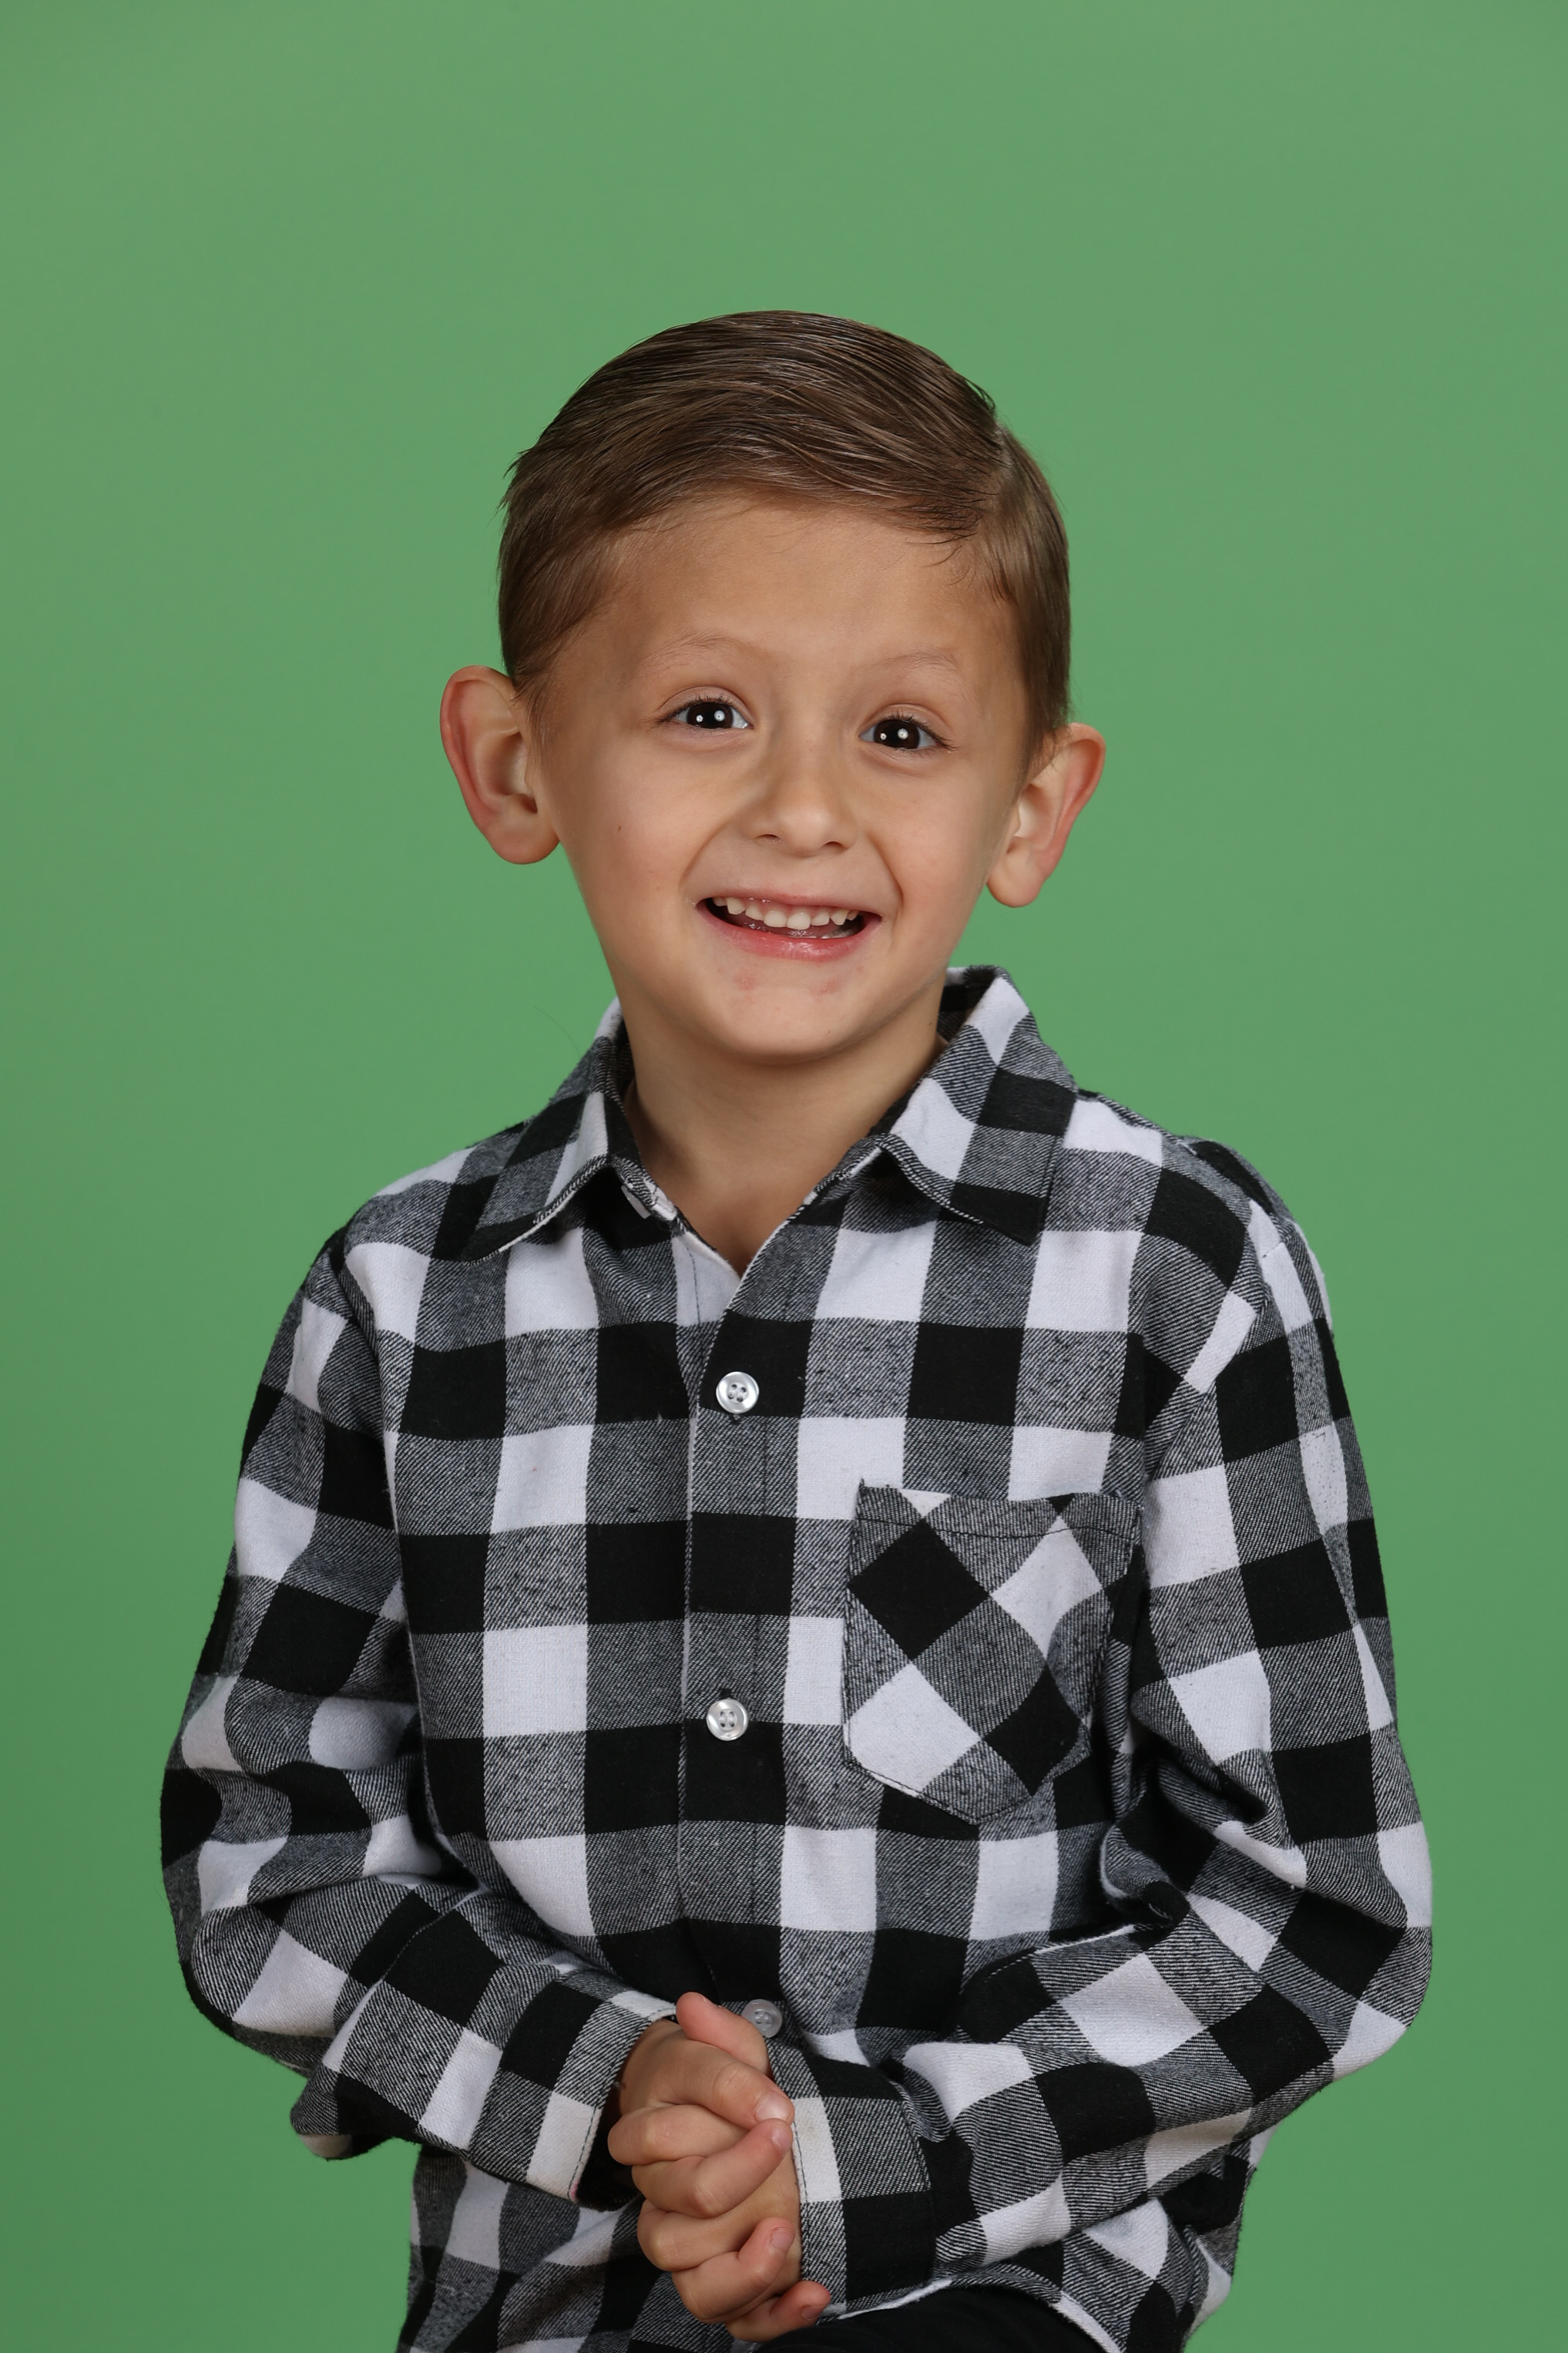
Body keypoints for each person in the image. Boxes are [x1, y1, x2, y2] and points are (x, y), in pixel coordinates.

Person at [161, 312, 1430, 2353]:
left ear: (1031, 805)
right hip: (546, 2301)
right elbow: (271, 1851)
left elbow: (1311, 1912)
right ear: (513, 762)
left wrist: (859, 2164)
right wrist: (606, 2088)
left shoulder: (1169, 1275)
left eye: (901, 734)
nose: (803, 809)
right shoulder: (404, 1302)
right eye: (705, 712)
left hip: (996, 2282)